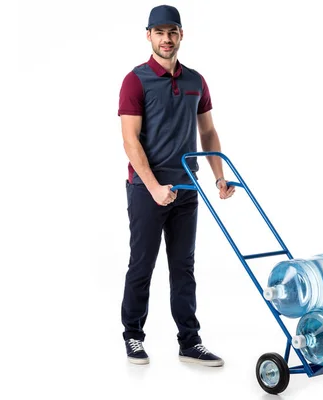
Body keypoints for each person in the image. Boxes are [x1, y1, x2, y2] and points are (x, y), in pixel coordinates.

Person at [117, 5, 235, 367]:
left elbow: (208, 131)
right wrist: (153, 187)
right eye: (159, 32)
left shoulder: (195, 81)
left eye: (172, 32)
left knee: (184, 267)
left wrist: (218, 175)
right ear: (148, 35)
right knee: (142, 264)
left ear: (181, 35)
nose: (166, 39)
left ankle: (190, 341)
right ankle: (133, 337)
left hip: (187, 188)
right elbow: (130, 141)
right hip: (146, 190)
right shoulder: (135, 80)